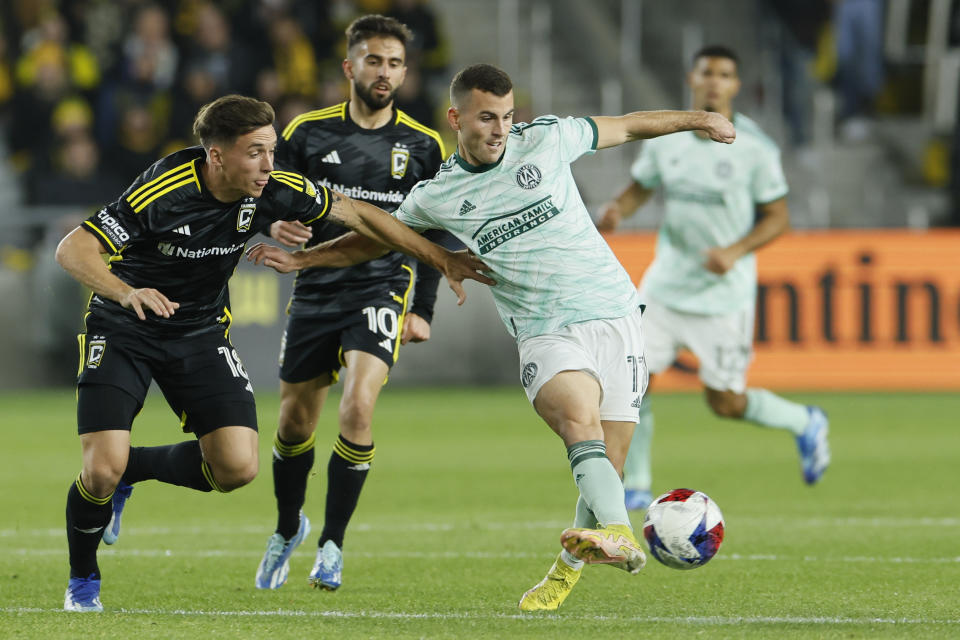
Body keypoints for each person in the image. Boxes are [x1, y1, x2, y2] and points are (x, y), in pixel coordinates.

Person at [247, 63, 735, 611]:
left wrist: (701, 118)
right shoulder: (440, 194)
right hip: (543, 328)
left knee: (608, 466)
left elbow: (628, 124)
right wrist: (304, 260)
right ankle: (621, 534)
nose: (500, 129)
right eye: (486, 118)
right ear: (456, 118)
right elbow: (375, 241)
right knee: (578, 422)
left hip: (615, 313)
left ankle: (569, 566)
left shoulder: (547, 139)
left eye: (506, 116)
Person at [54, 94, 490, 612]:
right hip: (126, 327)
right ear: (216, 156)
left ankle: (134, 470)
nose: (269, 165)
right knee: (99, 469)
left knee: (237, 468)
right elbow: (73, 249)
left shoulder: (276, 187)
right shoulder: (164, 189)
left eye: (272, 149)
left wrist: (439, 257)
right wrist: (126, 293)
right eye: (255, 152)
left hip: (198, 331)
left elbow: (361, 216)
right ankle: (83, 581)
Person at [254, 14, 455, 592]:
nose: (384, 72)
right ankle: (288, 527)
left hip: (381, 287)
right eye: (373, 61)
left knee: (358, 408)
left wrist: (425, 309)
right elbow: (270, 193)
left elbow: (435, 233)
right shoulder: (308, 133)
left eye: (394, 63)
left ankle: (332, 545)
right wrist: (280, 225)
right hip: (315, 288)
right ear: (350, 67)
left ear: (405, 71)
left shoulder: (422, 145)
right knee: (294, 423)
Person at [595, 45, 831, 511]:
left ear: (736, 85)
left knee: (724, 402)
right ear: (693, 79)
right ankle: (638, 482)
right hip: (665, 286)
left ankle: (805, 421)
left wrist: (735, 251)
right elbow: (643, 186)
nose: (714, 82)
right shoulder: (669, 138)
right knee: (631, 381)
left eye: (725, 74)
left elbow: (778, 218)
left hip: (724, 296)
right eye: (707, 73)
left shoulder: (756, 149)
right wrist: (617, 209)